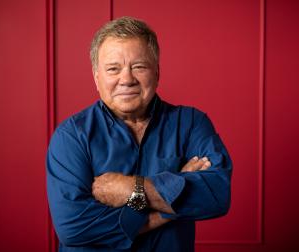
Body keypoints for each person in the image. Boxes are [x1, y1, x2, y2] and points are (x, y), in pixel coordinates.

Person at [46, 16, 232, 252]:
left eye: (139, 67)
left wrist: (130, 188)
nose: (127, 79)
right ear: (96, 77)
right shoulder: (71, 137)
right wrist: (165, 209)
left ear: (157, 72)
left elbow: (216, 195)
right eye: (113, 69)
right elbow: (73, 227)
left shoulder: (192, 123)